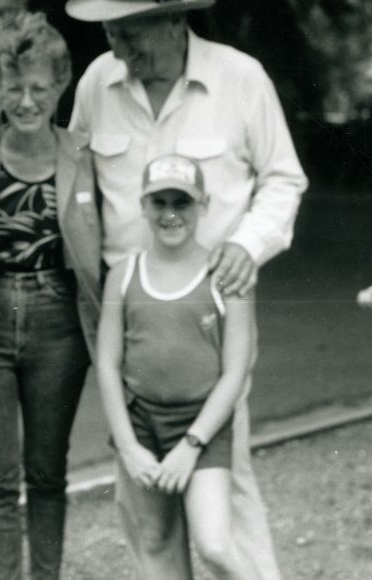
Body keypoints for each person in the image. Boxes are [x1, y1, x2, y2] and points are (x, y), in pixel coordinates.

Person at [66, 0, 308, 579]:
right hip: (129, 316)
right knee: (145, 511)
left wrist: (247, 245)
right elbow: (75, 183)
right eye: (111, 31)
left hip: (211, 317)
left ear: (174, 22)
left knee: (224, 509)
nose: (117, 45)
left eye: (130, 31)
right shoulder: (98, 82)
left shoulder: (240, 78)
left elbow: (283, 178)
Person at [0, 12, 102, 580]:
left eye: (39, 87)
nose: (27, 101)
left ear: (61, 85)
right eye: (13, 88)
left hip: (58, 319)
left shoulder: (85, 158)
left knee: (48, 472)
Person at [95, 154, 254, 580]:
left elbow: (234, 373)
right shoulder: (123, 275)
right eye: (159, 202)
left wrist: (191, 445)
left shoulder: (225, 276)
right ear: (143, 206)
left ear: (202, 204)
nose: (170, 214)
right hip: (143, 421)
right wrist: (129, 446)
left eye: (181, 203)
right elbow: (107, 364)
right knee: (156, 542)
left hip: (201, 426)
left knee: (215, 545)